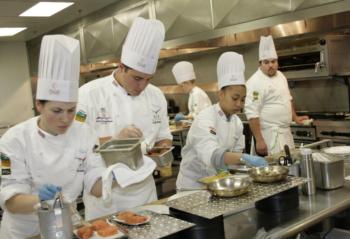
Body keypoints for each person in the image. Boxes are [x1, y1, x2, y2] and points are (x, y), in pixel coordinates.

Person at [0, 35, 106, 238]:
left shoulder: (84, 131)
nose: (66, 119)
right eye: (57, 110)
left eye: (71, 110)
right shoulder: (12, 141)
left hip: (65, 223)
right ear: (39, 105)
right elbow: (11, 200)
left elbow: (94, 181)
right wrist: (38, 199)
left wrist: (117, 174)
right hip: (25, 231)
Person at [77, 17, 173, 220]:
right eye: (137, 78)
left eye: (148, 79)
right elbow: (77, 146)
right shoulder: (88, 95)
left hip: (145, 192)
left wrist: (162, 151)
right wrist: (115, 142)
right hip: (106, 196)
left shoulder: (156, 95)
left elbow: (163, 136)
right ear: (121, 66)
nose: (142, 86)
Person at [176, 52, 268, 189]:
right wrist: (245, 158)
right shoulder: (205, 118)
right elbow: (213, 156)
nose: (239, 104)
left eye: (243, 99)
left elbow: (236, 154)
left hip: (217, 183)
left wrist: (239, 163)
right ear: (221, 94)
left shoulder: (237, 122)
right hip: (193, 185)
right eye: (235, 98)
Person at [245, 35, 309, 156]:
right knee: (274, 171)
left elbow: (288, 99)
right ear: (260, 64)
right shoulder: (254, 82)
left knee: (290, 168)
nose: (271, 65)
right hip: (269, 137)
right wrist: (259, 140)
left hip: (286, 134)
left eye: (273, 61)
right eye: (266, 62)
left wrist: (295, 117)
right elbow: (252, 114)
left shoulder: (281, 76)